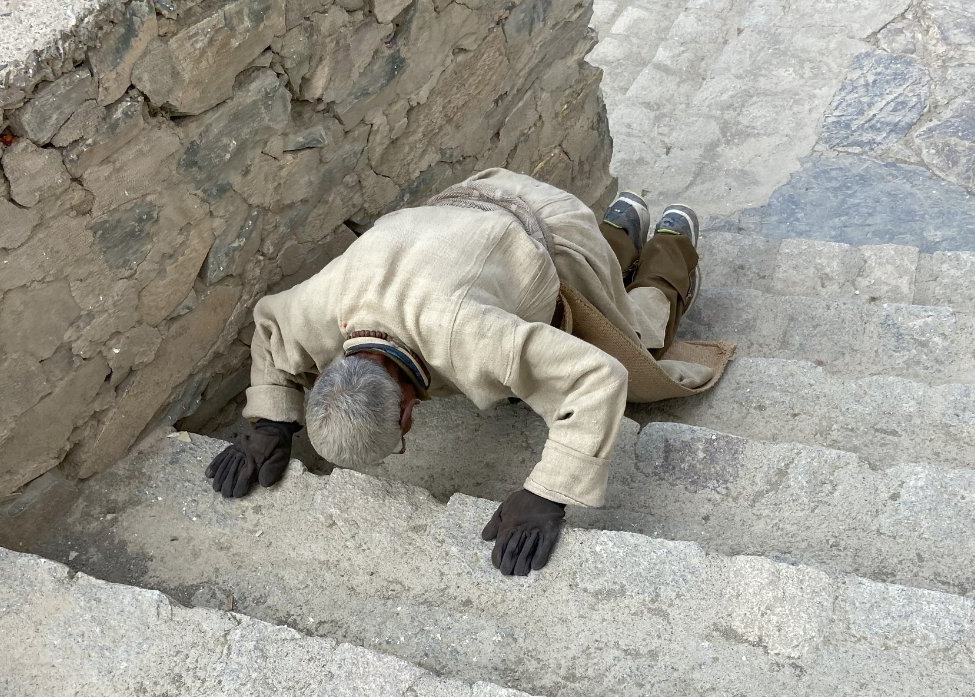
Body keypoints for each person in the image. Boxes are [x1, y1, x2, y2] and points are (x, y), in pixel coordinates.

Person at [206, 169, 714, 577]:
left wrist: (548, 493)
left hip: (551, 229)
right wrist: (271, 420)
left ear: (406, 414)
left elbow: (597, 378)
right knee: (591, 289)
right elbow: (269, 325)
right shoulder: (316, 313)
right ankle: (621, 226)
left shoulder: (469, 337)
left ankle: (671, 240)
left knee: (637, 340)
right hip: (468, 206)